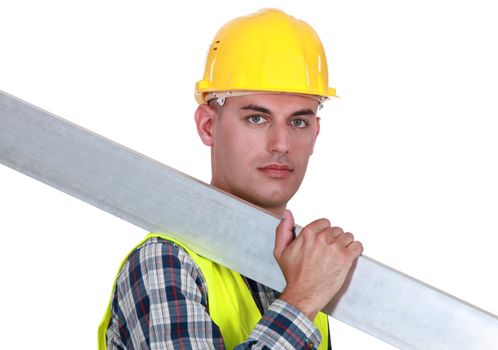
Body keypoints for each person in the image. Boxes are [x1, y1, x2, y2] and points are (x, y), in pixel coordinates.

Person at [99, 8, 363, 350]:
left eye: (298, 122)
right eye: (256, 118)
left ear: (315, 134)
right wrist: (301, 302)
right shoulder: (165, 262)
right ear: (208, 125)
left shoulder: (305, 271)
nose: (281, 144)